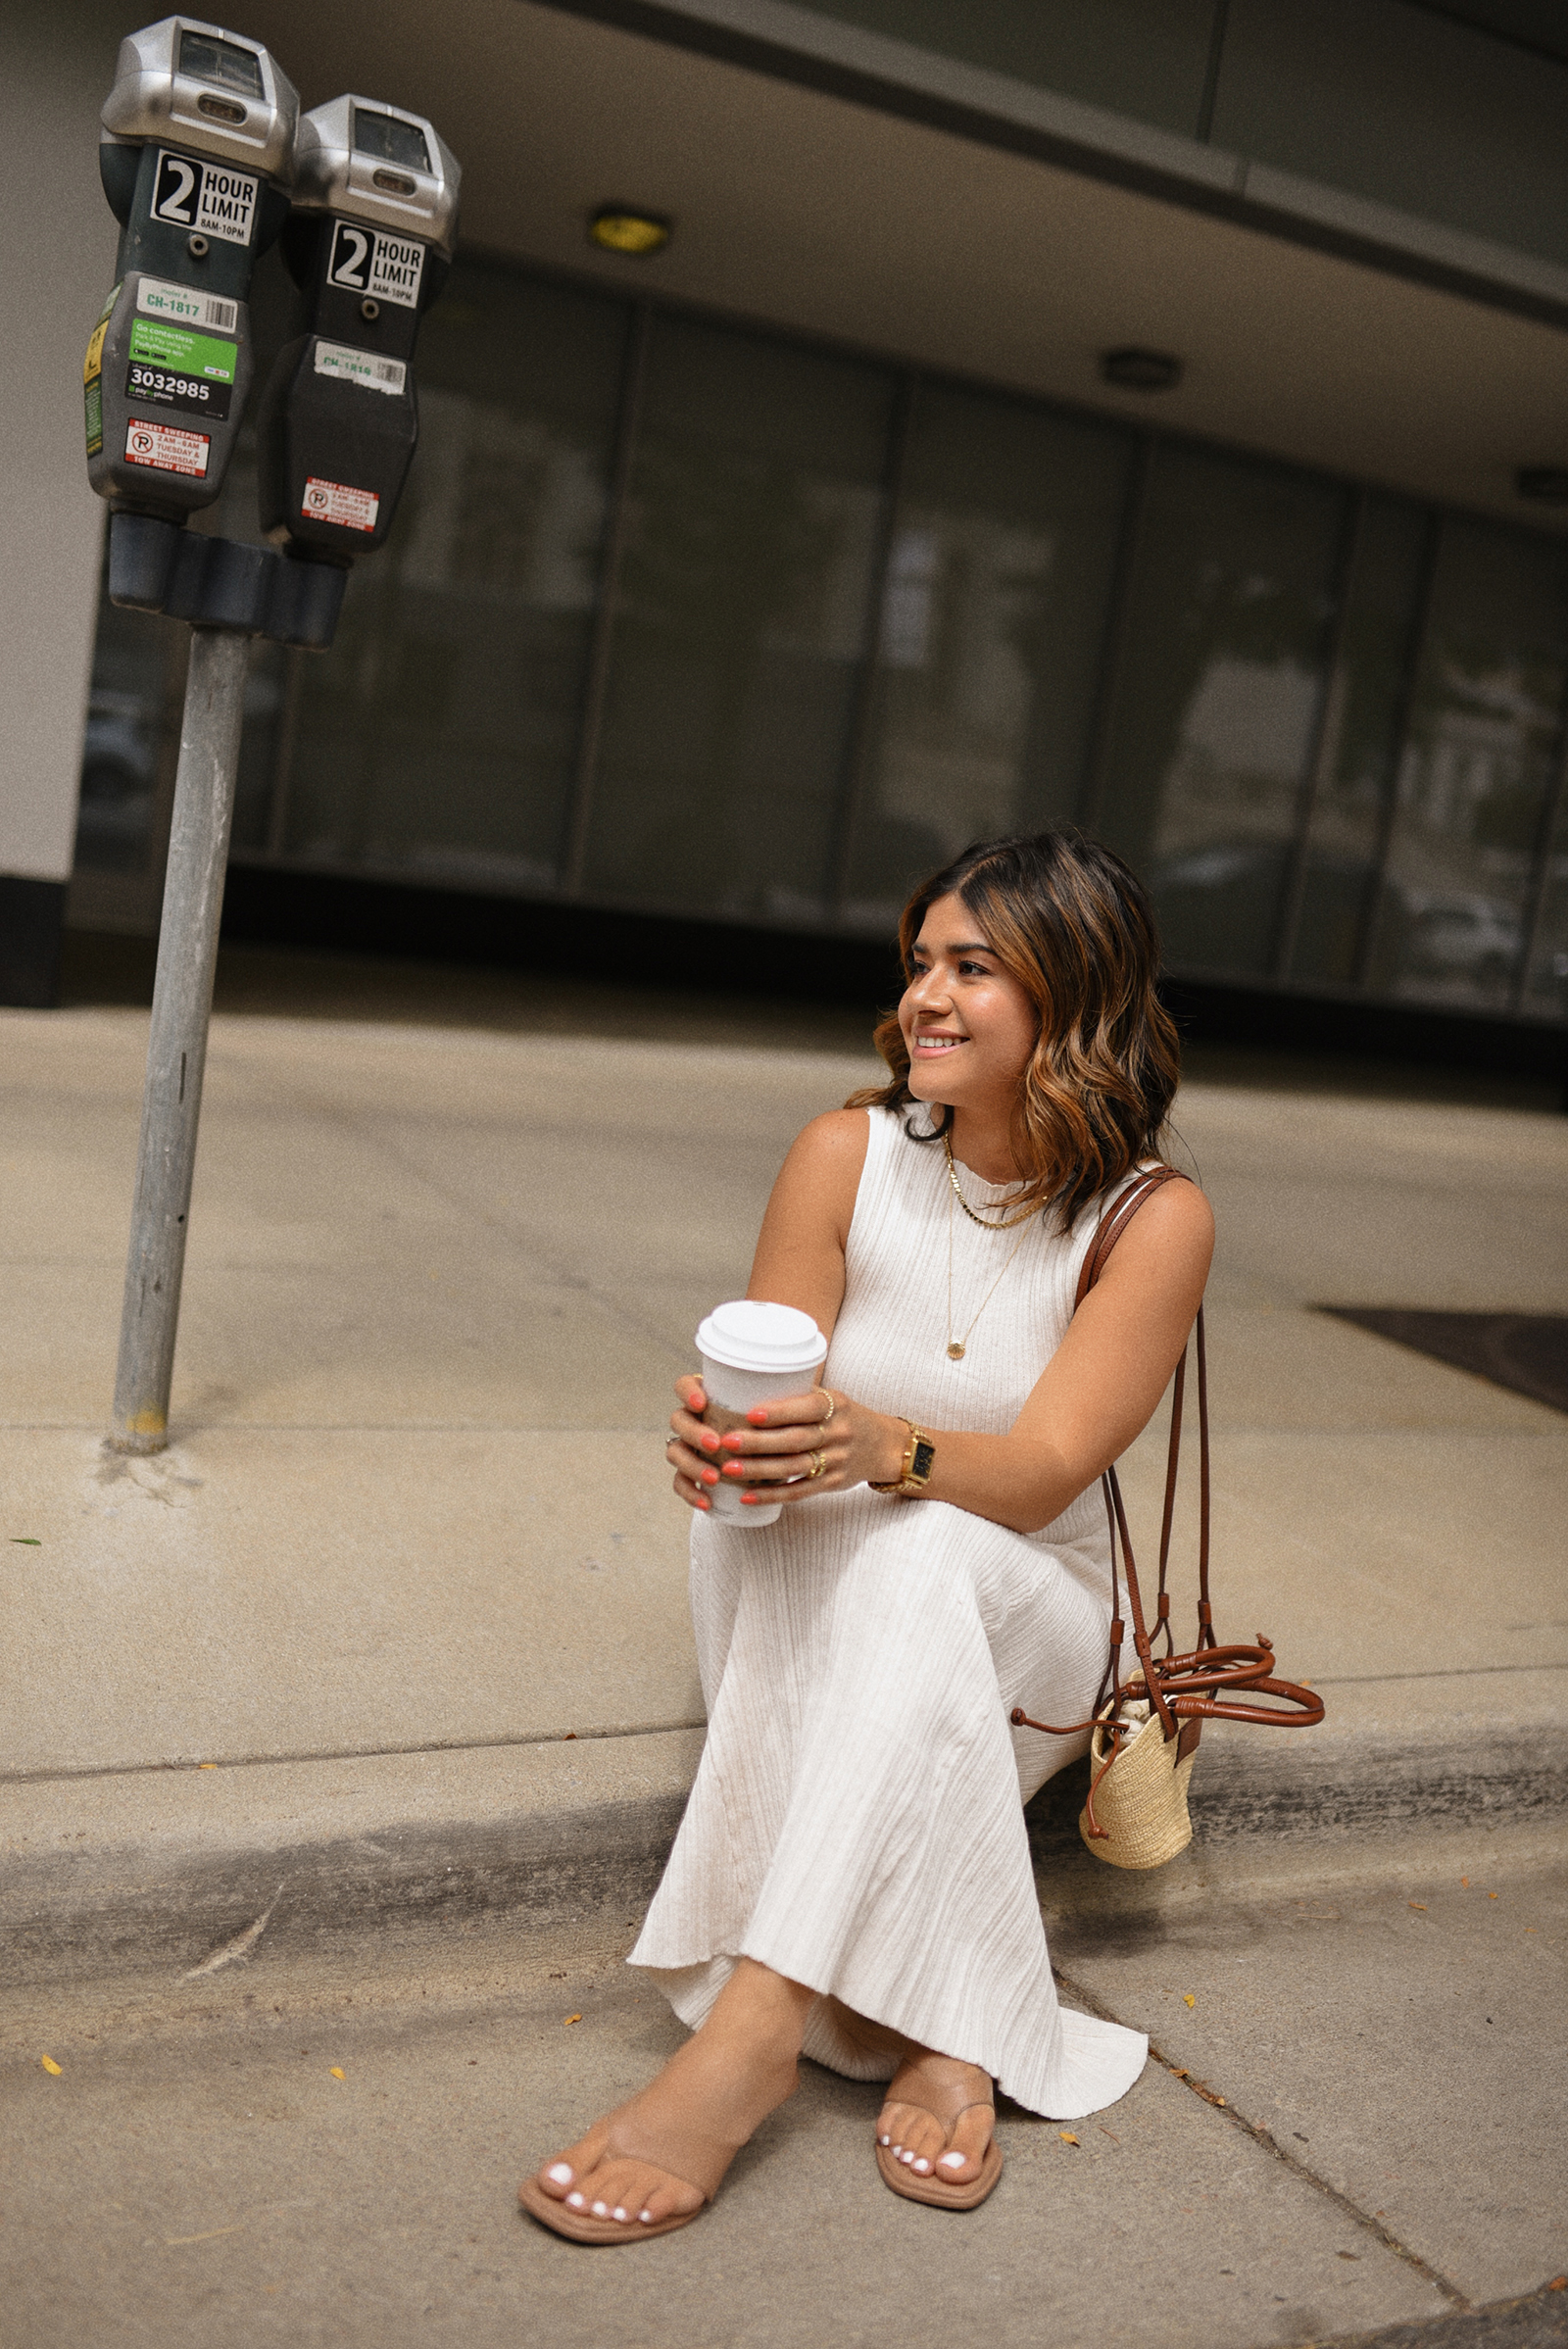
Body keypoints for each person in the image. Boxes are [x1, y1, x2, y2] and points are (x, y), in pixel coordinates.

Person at [519, 830, 1213, 2243]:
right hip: (826, 1592)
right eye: (918, 963)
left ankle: (754, 2027)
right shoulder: (845, 1154)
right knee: (797, 1530)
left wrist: (881, 1445)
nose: (925, 998)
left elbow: (1042, 1471)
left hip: (1026, 1620)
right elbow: (778, 1380)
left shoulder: (1154, 1216)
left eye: (974, 967)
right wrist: (737, 1445)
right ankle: (947, 2018)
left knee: (926, 1547)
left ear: (1071, 995)